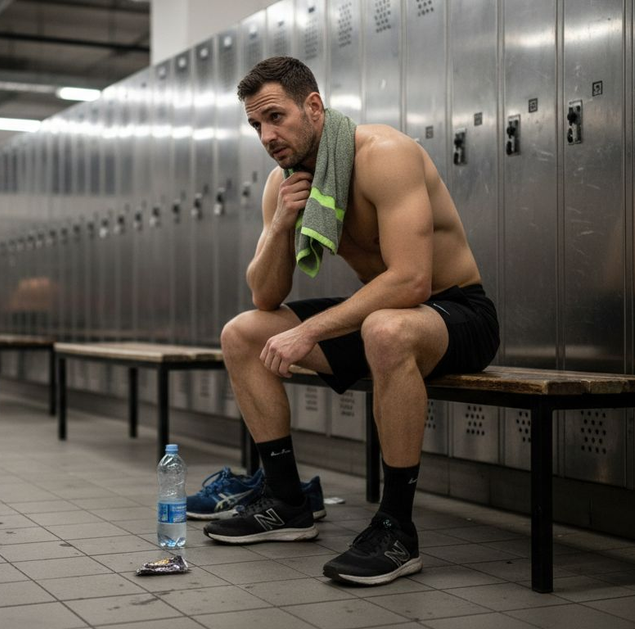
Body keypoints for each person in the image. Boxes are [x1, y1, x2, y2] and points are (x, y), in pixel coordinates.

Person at [203, 57, 499, 587]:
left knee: (384, 327)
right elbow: (265, 293)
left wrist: (310, 331)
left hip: (456, 312)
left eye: (275, 117)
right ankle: (285, 502)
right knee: (244, 332)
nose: (266, 135)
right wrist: (279, 226)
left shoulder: (384, 156)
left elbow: (412, 283)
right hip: (382, 315)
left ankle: (396, 528)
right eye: (255, 125)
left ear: (313, 107)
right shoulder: (285, 184)